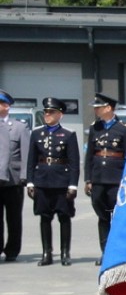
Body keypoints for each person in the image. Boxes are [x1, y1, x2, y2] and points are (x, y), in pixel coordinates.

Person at [26, 98, 79, 266]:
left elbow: (74, 162)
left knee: (64, 217)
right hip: (42, 180)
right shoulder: (36, 133)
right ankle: (47, 253)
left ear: (60, 115)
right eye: (46, 112)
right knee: (44, 217)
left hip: (62, 181)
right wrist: (30, 182)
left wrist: (73, 185)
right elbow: (31, 160)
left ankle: (65, 252)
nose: (47, 115)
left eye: (51, 112)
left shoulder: (69, 134)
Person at [84, 93, 126, 265]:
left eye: (98, 107)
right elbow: (90, 155)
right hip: (99, 178)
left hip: (116, 179)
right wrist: (88, 179)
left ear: (108, 108)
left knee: (118, 216)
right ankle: (105, 252)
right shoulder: (95, 128)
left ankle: (118, 251)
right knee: (102, 216)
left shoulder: (124, 128)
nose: (96, 110)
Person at [0, 89, 30, 262]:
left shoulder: (19, 127)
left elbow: (25, 154)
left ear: (6, 106)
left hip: (13, 180)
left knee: (14, 218)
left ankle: (12, 250)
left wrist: (25, 177)